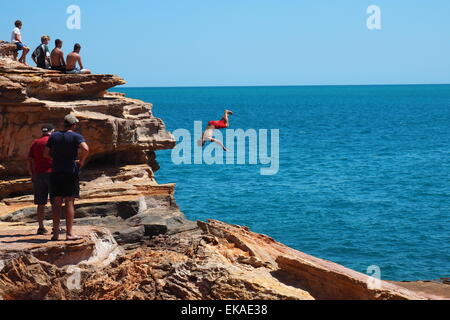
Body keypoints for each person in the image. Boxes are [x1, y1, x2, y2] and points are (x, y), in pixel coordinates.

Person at [44, 115, 89, 241]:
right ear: (74, 125)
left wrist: (56, 159)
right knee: (69, 201)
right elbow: (85, 148)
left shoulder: (53, 136)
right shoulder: (76, 136)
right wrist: (81, 161)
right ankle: (69, 233)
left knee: (56, 203)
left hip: (56, 171)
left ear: (64, 124)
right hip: (70, 171)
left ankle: (56, 234)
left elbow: (45, 154)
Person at [28, 124, 55, 235]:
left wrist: (31, 174)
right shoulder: (53, 141)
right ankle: (55, 227)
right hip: (53, 174)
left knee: (40, 203)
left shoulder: (35, 142)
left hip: (39, 175)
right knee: (55, 202)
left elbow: (30, 160)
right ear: (51, 131)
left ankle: (41, 227)